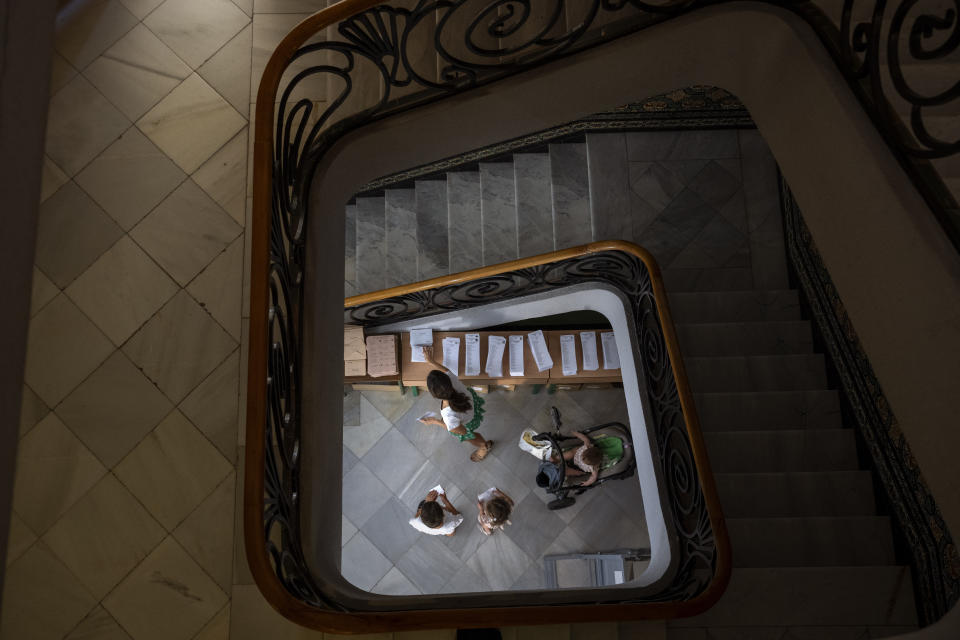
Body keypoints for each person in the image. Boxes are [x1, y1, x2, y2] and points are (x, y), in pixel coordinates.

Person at [417, 346, 494, 461]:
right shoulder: (451, 378)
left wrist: (434, 421)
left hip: (468, 421)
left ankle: (483, 446)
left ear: (435, 395)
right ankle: (483, 446)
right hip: (471, 404)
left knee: (470, 437)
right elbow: (445, 371)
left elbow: (462, 431)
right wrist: (432, 361)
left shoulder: (449, 417)